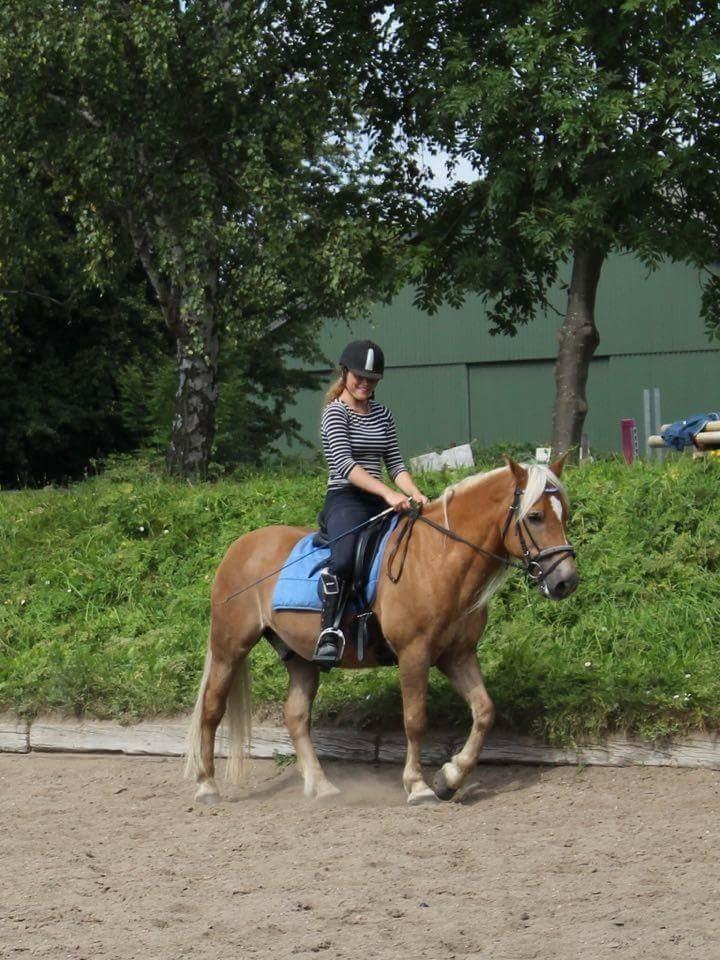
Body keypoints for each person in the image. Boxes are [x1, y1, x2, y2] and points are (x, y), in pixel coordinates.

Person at [314, 339, 429, 664]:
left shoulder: (382, 415)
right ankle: (330, 629)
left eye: (372, 379)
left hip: (379, 498)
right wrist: (388, 493)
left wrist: (414, 492)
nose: (365, 383)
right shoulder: (334, 414)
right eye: (359, 377)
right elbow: (345, 465)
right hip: (345, 498)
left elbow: (395, 464)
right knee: (345, 559)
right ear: (345, 373)